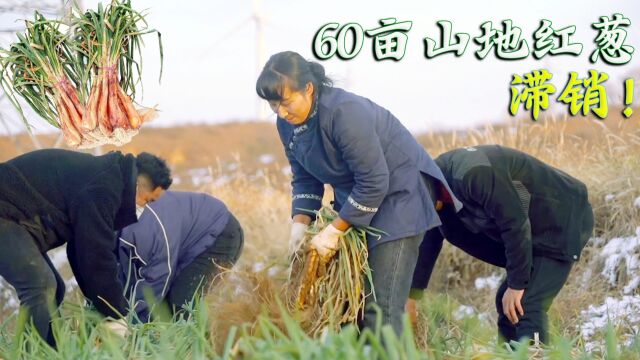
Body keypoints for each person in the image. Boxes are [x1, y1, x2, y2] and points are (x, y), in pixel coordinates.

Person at [255, 51, 461, 335]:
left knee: (381, 308)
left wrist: (333, 231)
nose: (280, 112)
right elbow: (304, 178)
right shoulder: (287, 124)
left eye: (286, 102)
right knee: (350, 304)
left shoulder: (344, 113)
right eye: (273, 104)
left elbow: (375, 180)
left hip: (398, 197)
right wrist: (299, 228)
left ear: (309, 89)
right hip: (357, 199)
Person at [409, 145, 594, 344]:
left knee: (525, 304)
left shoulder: (473, 173)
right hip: (528, 231)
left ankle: (536, 355)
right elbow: (428, 243)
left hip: (561, 219)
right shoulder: (434, 189)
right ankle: (509, 354)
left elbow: (515, 222)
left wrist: (517, 284)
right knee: (505, 301)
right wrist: (411, 296)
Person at [0, 149, 171, 347]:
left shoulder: (108, 177)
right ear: (139, 184)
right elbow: (96, 255)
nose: (145, 207)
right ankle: (26, 355)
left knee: (54, 290)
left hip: (17, 220)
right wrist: (115, 313)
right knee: (41, 286)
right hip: (6, 214)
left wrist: (103, 306)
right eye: (148, 200)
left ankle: (48, 352)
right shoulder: (103, 188)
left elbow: (79, 252)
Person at [117, 190, 244, 321]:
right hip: (178, 239)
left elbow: (157, 280)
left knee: (181, 306)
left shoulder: (144, 233)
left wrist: (128, 321)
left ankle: (211, 337)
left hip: (219, 233)